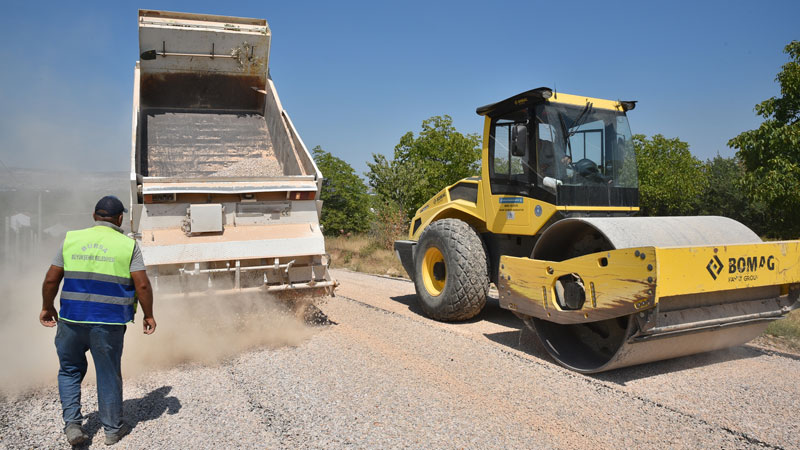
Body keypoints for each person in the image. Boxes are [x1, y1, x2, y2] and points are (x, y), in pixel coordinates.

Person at [39, 195, 156, 446]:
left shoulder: (72, 239)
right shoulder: (128, 246)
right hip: (108, 323)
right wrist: (148, 314)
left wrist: (47, 307)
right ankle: (112, 430)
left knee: (69, 371)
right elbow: (143, 285)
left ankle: (72, 425)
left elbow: (51, 279)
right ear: (120, 218)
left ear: (94, 216)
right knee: (108, 373)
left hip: (71, 320)